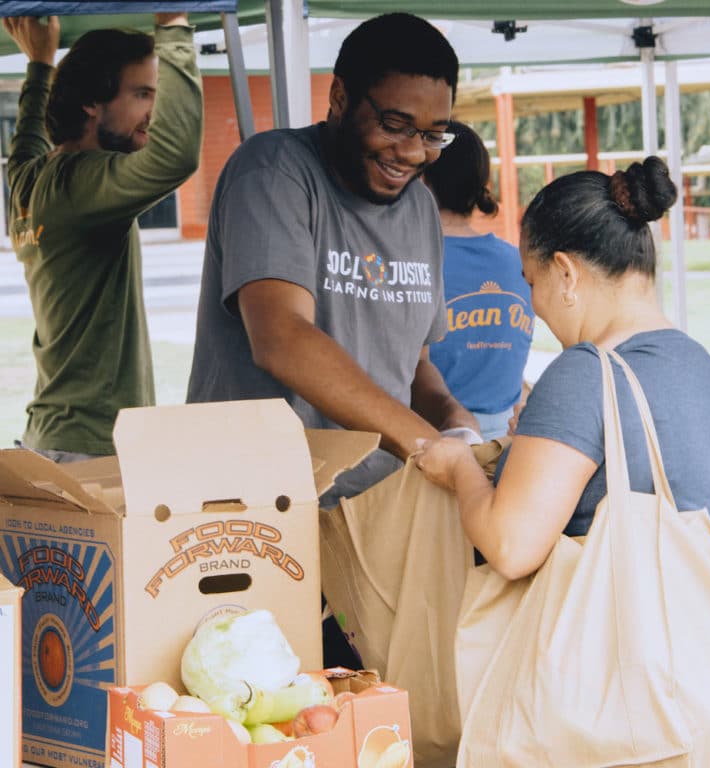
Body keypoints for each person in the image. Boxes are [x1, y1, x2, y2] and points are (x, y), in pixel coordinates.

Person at [187, 12, 479, 506]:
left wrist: (451, 418)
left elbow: (414, 366)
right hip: (258, 506)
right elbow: (281, 339)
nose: (412, 152)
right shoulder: (273, 172)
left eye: (434, 135)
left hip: (375, 504)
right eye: (395, 124)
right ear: (339, 97)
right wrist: (423, 443)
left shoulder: (420, 208)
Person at [414, 156, 710, 581]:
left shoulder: (585, 373)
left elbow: (511, 546)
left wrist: (459, 466)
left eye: (533, 282)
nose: (535, 307)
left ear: (566, 273)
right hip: (700, 638)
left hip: (608, 641)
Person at [4, 12, 203, 462]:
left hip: (52, 435)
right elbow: (175, 156)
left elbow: (27, 137)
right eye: (142, 94)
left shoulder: (28, 180)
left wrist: (39, 63)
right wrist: (172, 22)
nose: (153, 110)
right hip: (94, 446)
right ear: (92, 102)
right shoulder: (84, 185)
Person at [423, 120, 534, 440]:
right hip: (507, 439)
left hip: (435, 436)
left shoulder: (414, 263)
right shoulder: (518, 262)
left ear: (423, 181)